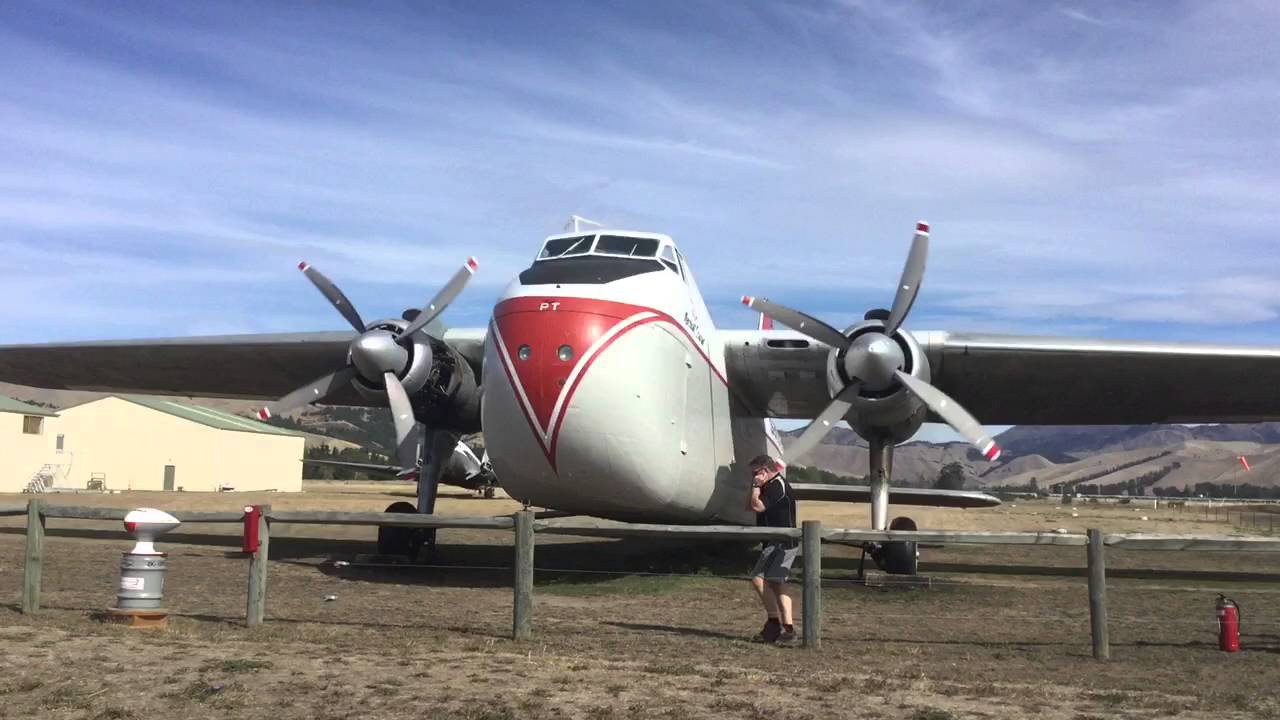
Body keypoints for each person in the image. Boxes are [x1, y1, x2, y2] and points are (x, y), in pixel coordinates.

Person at [747, 454, 798, 646]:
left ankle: (777, 624)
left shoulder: (777, 486)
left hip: (782, 541)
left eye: (755, 473)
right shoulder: (770, 485)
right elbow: (750, 506)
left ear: (765, 471)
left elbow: (757, 507)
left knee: (762, 579)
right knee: (776, 583)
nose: (753, 477)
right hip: (776, 541)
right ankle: (784, 628)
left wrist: (755, 487)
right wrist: (756, 488)